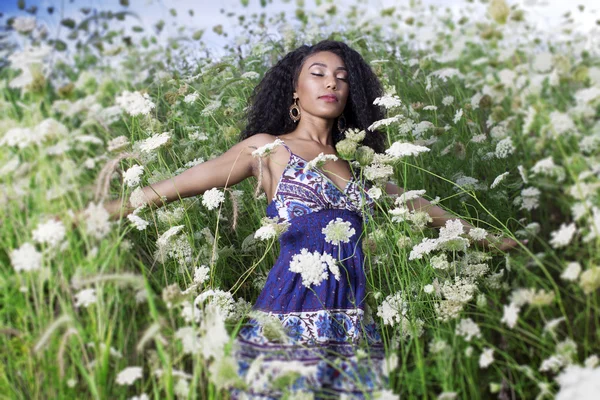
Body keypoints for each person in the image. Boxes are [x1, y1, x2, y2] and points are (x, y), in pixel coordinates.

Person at [100, 40, 523, 398]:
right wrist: (107, 211)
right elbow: (180, 183)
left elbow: (420, 206)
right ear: (295, 92)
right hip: (287, 315)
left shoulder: (358, 162)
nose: (331, 82)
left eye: (341, 77)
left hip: (352, 318)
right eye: (318, 73)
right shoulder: (268, 149)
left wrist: (489, 239)